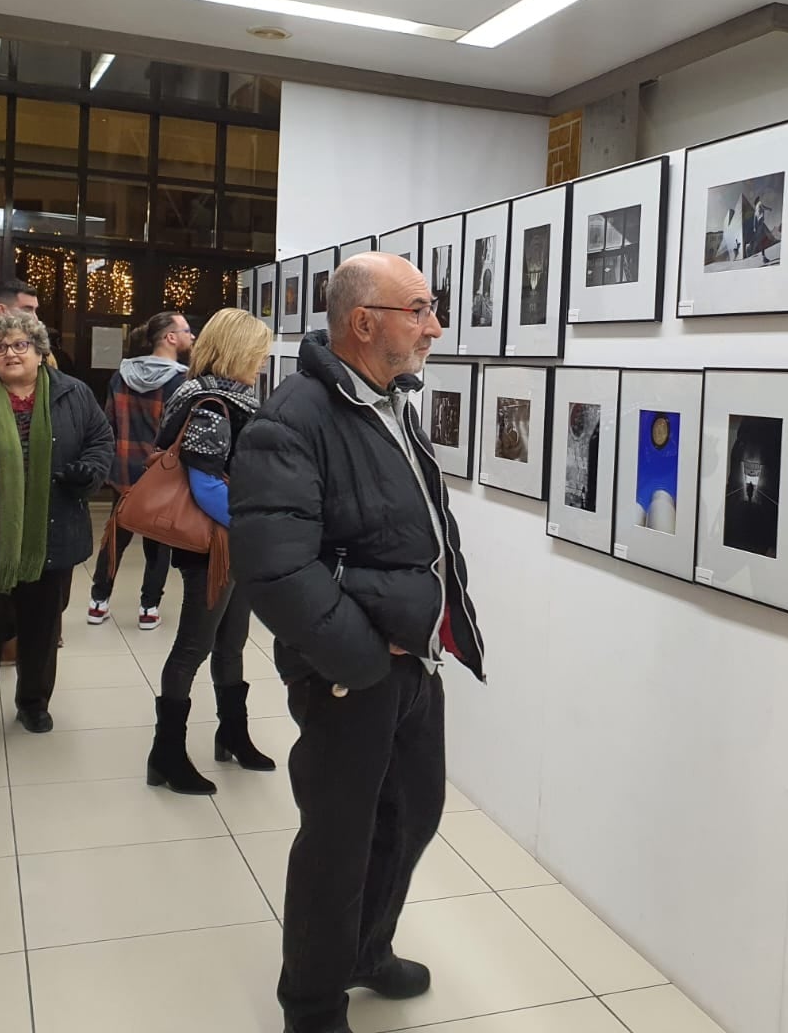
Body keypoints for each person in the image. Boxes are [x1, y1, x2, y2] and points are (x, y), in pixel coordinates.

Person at [228, 254, 486, 1033]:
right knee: (338, 840)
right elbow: (275, 572)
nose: (435, 325)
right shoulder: (294, 421)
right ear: (364, 321)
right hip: (351, 672)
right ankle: (311, 1001)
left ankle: (366, 949)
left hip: (412, 663)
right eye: (420, 309)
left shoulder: (387, 402)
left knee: (412, 811)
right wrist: (363, 661)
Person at [0, 311, 112, 744]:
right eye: (0, 347)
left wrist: (89, 471)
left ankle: (33, 705)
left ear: (40, 352)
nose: (10, 353)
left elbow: (101, 440)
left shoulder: (73, 394)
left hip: (51, 538)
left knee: (41, 632)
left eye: (20, 345)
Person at [145, 309, 275, 795]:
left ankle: (232, 733)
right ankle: (166, 753)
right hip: (213, 545)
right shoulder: (211, 402)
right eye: (259, 352)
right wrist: (255, 531)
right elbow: (205, 486)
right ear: (238, 350)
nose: (262, 361)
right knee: (192, 648)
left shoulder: (216, 395)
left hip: (228, 543)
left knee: (231, 642)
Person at [89, 311, 194, 631]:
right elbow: (178, 433)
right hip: (160, 472)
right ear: (170, 338)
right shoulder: (181, 381)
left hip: (124, 470)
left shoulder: (121, 375)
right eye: (187, 330)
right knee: (158, 541)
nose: (193, 336)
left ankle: (97, 602)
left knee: (115, 535)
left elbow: (108, 424)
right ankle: (148, 607)